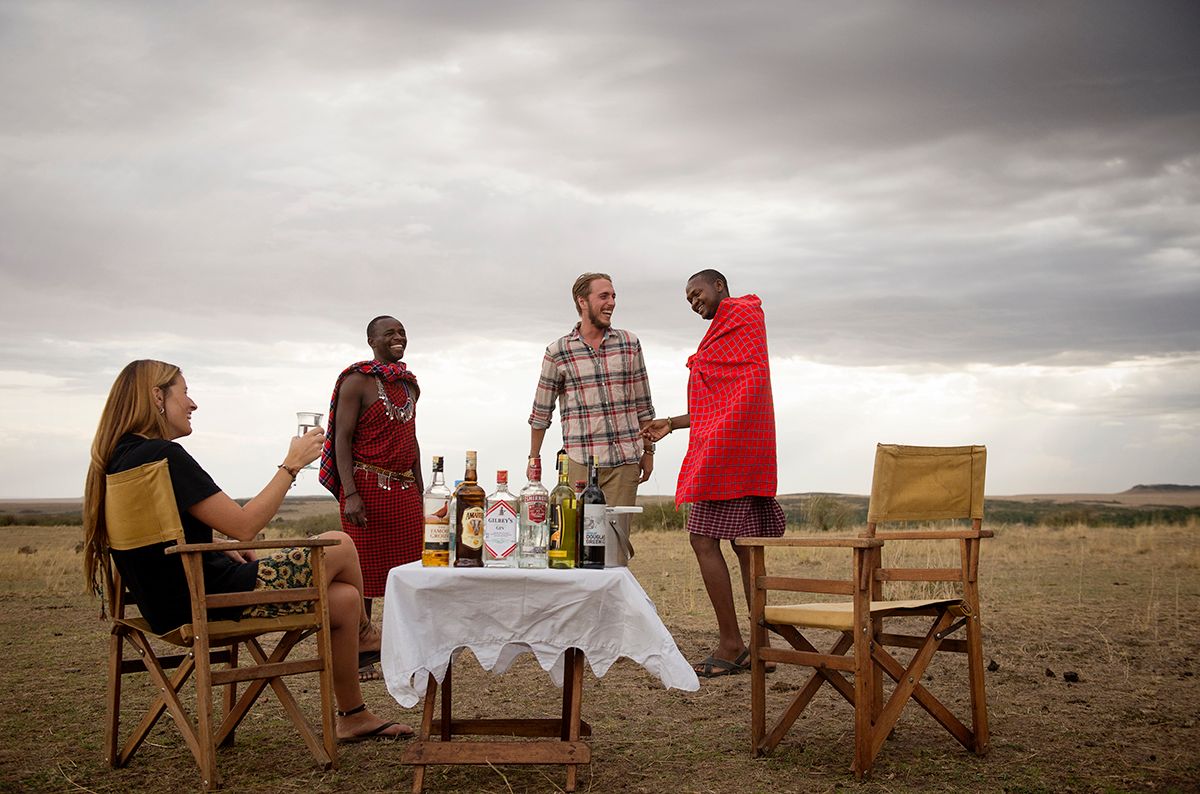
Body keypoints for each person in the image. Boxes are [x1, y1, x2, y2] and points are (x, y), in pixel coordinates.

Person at [82, 359, 411, 740]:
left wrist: (212, 544)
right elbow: (245, 526)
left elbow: (153, 540)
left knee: (344, 601)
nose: (192, 403)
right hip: (210, 600)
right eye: (185, 393)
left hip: (167, 607)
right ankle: (367, 636)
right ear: (157, 397)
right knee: (339, 543)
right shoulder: (164, 456)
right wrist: (291, 465)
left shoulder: (118, 459)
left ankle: (353, 715)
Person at [642, 270, 785, 678]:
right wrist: (673, 423)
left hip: (728, 452)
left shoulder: (742, 317)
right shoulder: (733, 328)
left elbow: (735, 397)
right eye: (688, 299)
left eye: (696, 293)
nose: (693, 302)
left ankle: (732, 645)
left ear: (719, 286)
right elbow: (724, 399)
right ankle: (761, 647)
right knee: (744, 544)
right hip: (746, 448)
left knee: (703, 539)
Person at [320, 315, 424, 681]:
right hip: (365, 488)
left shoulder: (409, 385)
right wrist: (350, 493)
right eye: (389, 333)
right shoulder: (356, 381)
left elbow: (411, 438)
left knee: (410, 570)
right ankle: (360, 653)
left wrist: (421, 489)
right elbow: (342, 438)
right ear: (372, 341)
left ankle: (408, 647)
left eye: (402, 332)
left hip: (404, 489)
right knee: (359, 573)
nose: (398, 338)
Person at [528, 272, 656, 507]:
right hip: (580, 464)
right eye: (604, 296)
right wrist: (534, 458)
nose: (612, 303)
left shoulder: (629, 344)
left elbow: (644, 406)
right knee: (577, 531)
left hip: (625, 464)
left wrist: (649, 452)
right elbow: (541, 412)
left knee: (617, 531)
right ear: (582, 301)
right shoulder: (558, 352)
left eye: (614, 296)